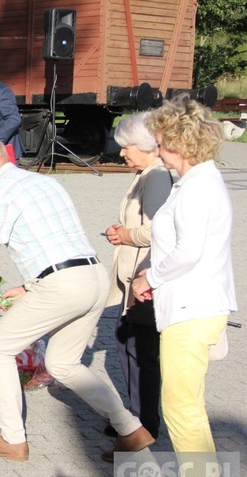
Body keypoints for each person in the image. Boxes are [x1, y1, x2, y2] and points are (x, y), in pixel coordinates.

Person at [0, 136, 153, 462]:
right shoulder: (45, 182)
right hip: (93, 277)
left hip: (62, 286)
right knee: (63, 364)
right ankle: (130, 429)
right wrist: (30, 287)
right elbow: (58, 242)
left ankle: (12, 439)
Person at [132, 95, 237, 477]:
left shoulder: (198, 188)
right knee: (186, 407)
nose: (156, 150)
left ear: (182, 143)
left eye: (160, 142)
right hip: (193, 306)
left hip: (192, 311)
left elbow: (188, 251)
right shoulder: (195, 182)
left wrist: (149, 278)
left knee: (182, 410)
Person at [104, 112, 173, 440]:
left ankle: (145, 422)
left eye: (126, 146)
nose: (121, 153)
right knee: (126, 345)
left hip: (143, 279)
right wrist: (122, 231)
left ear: (145, 146)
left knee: (140, 350)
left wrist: (126, 235)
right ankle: (135, 415)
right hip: (133, 278)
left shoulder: (157, 177)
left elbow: (159, 230)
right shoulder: (146, 173)